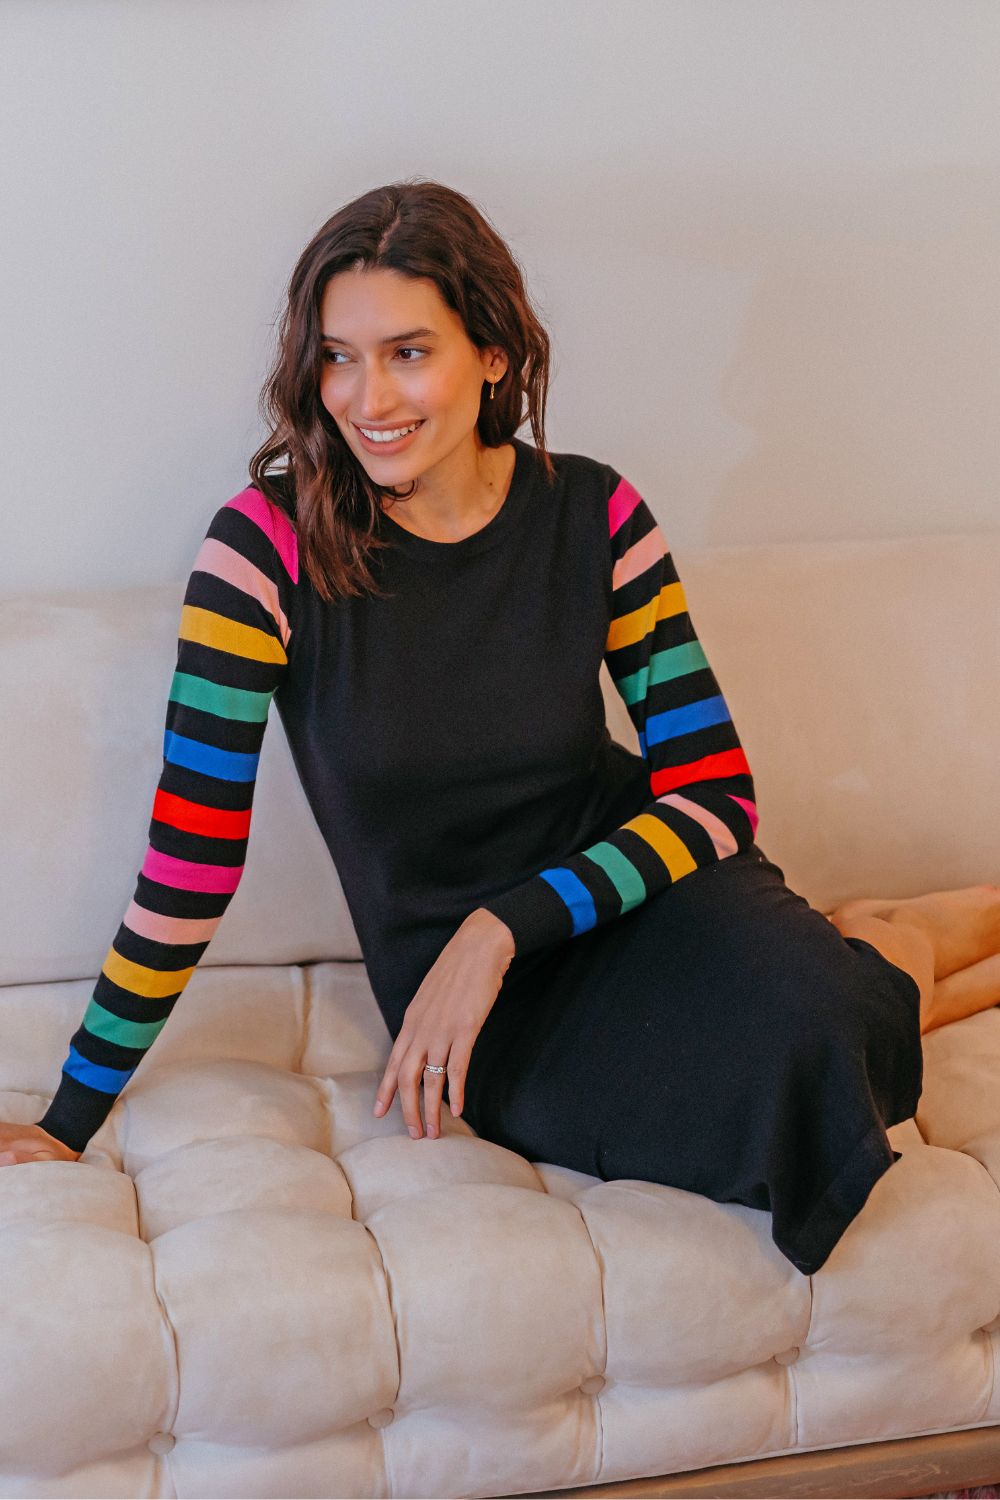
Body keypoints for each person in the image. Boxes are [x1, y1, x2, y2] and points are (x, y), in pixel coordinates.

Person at [4, 180, 998, 1277]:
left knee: (814, 1030)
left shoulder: (595, 513)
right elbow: (190, 866)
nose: (367, 396)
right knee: (788, 1092)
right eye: (337, 356)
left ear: (491, 354)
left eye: (408, 352)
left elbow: (717, 795)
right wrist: (68, 1118)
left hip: (626, 892)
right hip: (464, 997)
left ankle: (880, 949)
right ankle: (882, 946)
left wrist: (501, 929)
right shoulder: (262, 552)